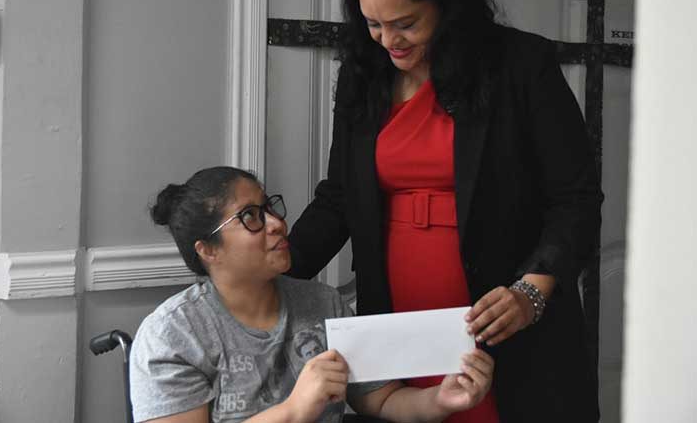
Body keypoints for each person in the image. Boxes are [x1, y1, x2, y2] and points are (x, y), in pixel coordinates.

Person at [287, 0, 603, 423]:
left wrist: (530, 293)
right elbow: (340, 197)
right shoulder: (363, 73)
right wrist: (273, 273)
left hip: (507, 319)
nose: (388, 41)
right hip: (398, 319)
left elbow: (576, 200)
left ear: (449, 5)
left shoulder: (521, 66)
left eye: (406, 23)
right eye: (373, 24)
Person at [130, 166, 494, 423]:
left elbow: (381, 399)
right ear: (208, 250)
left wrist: (440, 399)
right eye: (251, 217)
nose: (277, 223)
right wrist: (294, 410)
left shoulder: (323, 304)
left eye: (269, 208)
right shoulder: (173, 335)